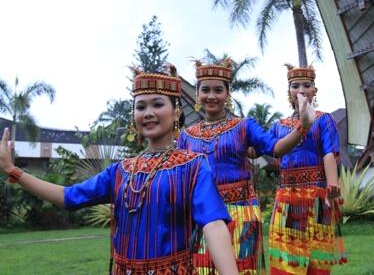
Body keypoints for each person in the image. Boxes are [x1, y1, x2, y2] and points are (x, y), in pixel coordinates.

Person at [0, 65, 239, 275]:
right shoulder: (121, 171)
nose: (148, 113)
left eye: (158, 104)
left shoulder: (194, 166)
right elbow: (69, 196)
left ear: (176, 112)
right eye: (140, 106)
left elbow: (213, 224)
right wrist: (14, 171)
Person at [178, 58, 315, 274]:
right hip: (202, 216)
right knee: (202, 270)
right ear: (197, 94)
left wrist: (303, 127)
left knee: (241, 270)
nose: (211, 96)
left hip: (240, 214)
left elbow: (275, 148)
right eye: (205, 90)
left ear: (227, 94)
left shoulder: (244, 125)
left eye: (218, 90)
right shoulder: (186, 136)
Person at [268, 65, 347, 275]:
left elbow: (329, 153)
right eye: (295, 86)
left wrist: (332, 185)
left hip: (317, 197)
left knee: (317, 261)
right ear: (289, 92)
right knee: (287, 260)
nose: (301, 89)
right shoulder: (279, 126)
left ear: (315, 90)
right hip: (287, 198)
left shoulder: (324, 119)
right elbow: (267, 149)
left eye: (307, 85)